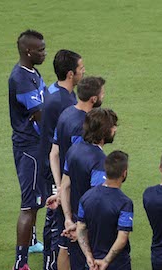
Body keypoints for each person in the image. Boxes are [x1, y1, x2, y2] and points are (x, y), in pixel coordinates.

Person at [46, 76, 105, 270]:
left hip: (66, 190)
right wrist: (65, 192)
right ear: (94, 99)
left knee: (65, 245)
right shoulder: (83, 127)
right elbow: (81, 163)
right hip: (78, 195)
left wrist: (59, 187)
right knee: (81, 247)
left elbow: (54, 153)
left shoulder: (66, 113)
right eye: (103, 93)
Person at [38, 49, 85, 270]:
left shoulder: (54, 90)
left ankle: (50, 259)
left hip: (50, 161)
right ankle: (51, 262)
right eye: (81, 69)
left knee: (53, 216)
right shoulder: (65, 102)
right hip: (55, 167)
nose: (83, 72)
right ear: (70, 74)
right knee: (56, 218)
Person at [59, 108, 118, 269]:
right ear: (104, 131)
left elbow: (64, 187)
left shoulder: (74, 150)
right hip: (91, 233)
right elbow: (98, 203)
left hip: (75, 226)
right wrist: (81, 228)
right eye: (113, 126)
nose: (115, 129)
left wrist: (68, 219)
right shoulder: (100, 162)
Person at [9, 29, 47, 270]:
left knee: (37, 197)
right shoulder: (20, 78)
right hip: (29, 148)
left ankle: (32, 241)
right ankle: (20, 262)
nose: (45, 53)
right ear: (28, 51)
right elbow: (39, 115)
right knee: (29, 204)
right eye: (41, 50)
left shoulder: (31, 70)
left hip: (35, 145)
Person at [76, 151, 133, 270]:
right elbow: (122, 238)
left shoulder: (86, 197)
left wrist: (88, 256)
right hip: (117, 264)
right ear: (124, 173)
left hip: (92, 263)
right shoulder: (125, 203)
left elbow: (81, 228)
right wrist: (106, 261)